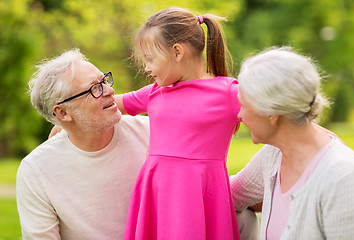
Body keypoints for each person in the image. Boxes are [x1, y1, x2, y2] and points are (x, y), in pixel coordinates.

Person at [115, 7, 241, 240]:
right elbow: (112, 105)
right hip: (157, 195)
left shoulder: (228, 93)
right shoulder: (155, 92)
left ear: (177, 51)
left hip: (202, 198)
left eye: (151, 59)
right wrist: (67, 121)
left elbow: (275, 115)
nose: (146, 67)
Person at [16, 49, 150, 239]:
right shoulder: (36, 170)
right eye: (94, 89)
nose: (110, 90)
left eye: (104, 80)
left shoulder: (152, 134)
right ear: (62, 113)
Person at [230, 47, 354, 239]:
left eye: (244, 105)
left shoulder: (342, 175)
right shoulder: (274, 154)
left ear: (271, 112)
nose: (239, 115)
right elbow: (230, 194)